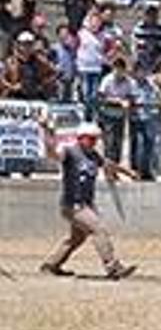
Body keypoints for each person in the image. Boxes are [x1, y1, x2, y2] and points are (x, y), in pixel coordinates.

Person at [37, 120, 139, 280]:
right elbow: (53, 154)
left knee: (76, 239)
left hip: (85, 204)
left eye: (95, 139)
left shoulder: (93, 155)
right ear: (81, 138)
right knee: (98, 229)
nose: (94, 142)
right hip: (73, 205)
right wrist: (46, 132)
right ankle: (113, 267)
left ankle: (51, 265)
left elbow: (108, 164)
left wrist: (127, 172)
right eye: (91, 138)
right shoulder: (70, 153)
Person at [97, 56, 136, 164]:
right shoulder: (107, 79)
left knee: (118, 142)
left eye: (121, 68)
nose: (118, 71)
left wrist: (128, 101)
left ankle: (115, 166)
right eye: (116, 68)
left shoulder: (129, 81)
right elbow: (101, 97)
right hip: (107, 115)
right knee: (109, 142)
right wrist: (117, 101)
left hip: (121, 115)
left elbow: (132, 96)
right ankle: (109, 167)